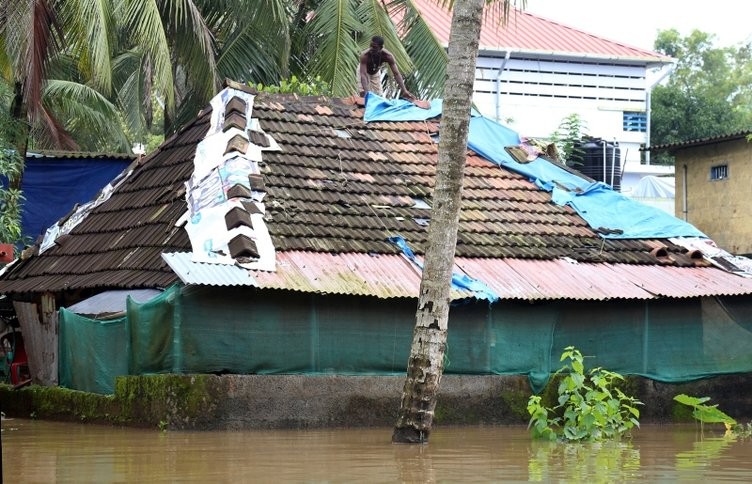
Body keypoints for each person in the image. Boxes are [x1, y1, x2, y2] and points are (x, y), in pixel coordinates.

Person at [359, 36, 415, 101]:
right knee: (363, 95)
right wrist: (366, 92)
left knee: (378, 96)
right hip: (363, 71)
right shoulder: (365, 55)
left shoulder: (388, 56)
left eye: (374, 47)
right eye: (370, 46)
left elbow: (396, 74)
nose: (371, 49)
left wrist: (404, 90)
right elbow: (363, 74)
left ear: (381, 48)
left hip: (375, 73)